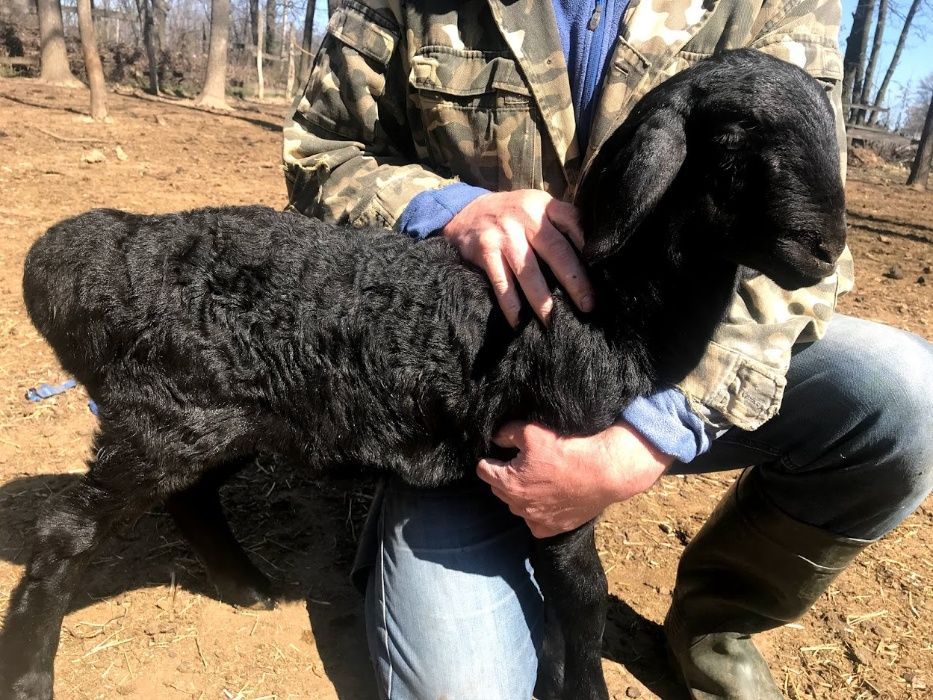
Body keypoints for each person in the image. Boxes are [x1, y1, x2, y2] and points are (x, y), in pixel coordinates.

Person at [282, 1, 933, 697]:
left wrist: (652, 433)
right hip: (481, 398)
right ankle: (422, 506)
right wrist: (445, 208)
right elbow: (321, 150)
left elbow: (805, 245)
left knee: (899, 394)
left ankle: (715, 621)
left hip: (677, 362)